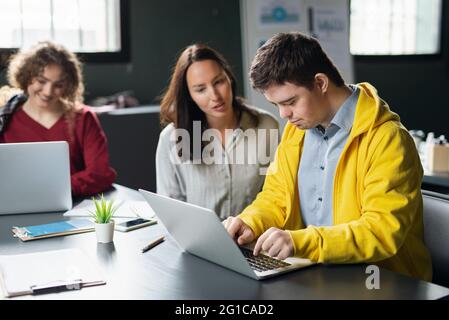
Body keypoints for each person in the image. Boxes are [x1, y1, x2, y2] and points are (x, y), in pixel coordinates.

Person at [223, 32, 432, 281]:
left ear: (321, 83)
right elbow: (276, 196)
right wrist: (250, 222)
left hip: (382, 282)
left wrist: (301, 241)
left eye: (290, 101)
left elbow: (381, 231)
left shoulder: (388, 139)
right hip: (319, 275)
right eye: (276, 105)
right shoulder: (296, 131)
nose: (283, 114)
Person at [157, 44, 279, 219]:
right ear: (189, 95)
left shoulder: (266, 125)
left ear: (229, 78)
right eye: (200, 89)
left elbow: (276, 194)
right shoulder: (171, 138)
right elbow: (169, 210)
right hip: (198, 243)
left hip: (255, 241)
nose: (215, 95)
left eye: (218, 82)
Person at [0, 41, 117, 197]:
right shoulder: (5, 120)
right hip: (15, 202)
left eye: (58, 84)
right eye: (41, 81)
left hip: (73, 204)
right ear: (26, 76)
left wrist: (54, 190)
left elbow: (100, 173)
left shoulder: (83, 118)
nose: (48, 92)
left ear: (68, 85)